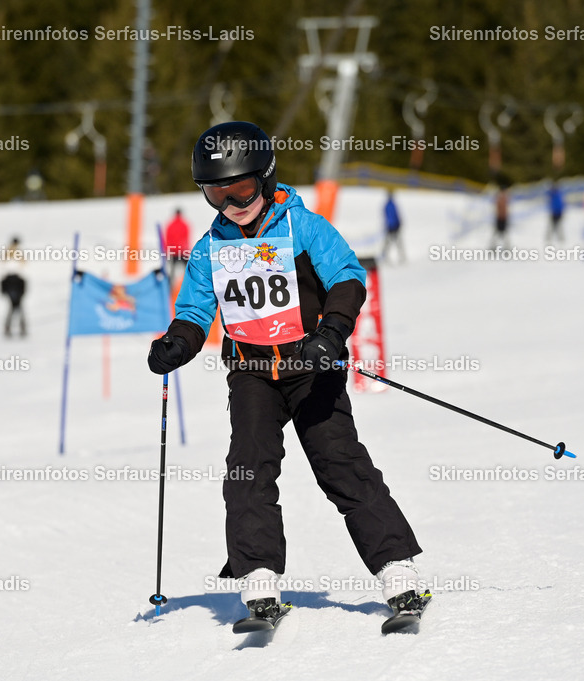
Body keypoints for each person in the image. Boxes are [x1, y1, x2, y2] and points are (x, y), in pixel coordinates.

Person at [146, 121, 424, 625]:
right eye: (217, 194)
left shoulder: (305, 227)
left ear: (266, 177)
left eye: (242, 189)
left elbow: (347, 276)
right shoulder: (212, 248)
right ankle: (259, 580)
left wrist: (332, 332)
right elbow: (194, 310)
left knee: (340, 462)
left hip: (309, 365)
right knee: (248, 470)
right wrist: (175, 345)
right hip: (251, 372)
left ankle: (397, 572)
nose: (233, 205)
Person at [0, 236, 27, 337]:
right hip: (13, 281)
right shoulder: (13, 253)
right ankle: (17, 327)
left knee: (15, 308)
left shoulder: (11, 252)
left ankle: (14, 327)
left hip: (13, 281)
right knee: (16, 308)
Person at [163, 208, 191, 281]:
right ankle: (187, 284)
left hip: (173, 251)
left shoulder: (170, 225)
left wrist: (166, 250)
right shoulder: (184, 224)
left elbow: (167, 238)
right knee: (187, 270)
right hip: (182, 251)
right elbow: (186, 238)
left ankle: (170, 286)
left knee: (172, 271)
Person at [381, 189, 406, 264]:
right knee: (395, 243)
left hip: (391, 226)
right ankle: (400, 257)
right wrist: (398, 223)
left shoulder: (387, 205)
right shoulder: (391, 205)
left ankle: (385, 257)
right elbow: (394, 216)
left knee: (390, 243)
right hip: (393, 226)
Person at [491, 181, 510, 249]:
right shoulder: (500, 198)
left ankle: (506, 246)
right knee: (498, 232)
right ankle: (493, 245)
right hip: (500, 217)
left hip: (503, 217)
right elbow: (499, 208)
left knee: (503, 233)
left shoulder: (505, 197)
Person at [546, 179, 565, 243]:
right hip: (554, 212)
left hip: (558, 212)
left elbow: (561, 204)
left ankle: (560, 238)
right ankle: (550, 237)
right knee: (553, 225)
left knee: (558, 226)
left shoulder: (557, 194)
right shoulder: (553, 194)